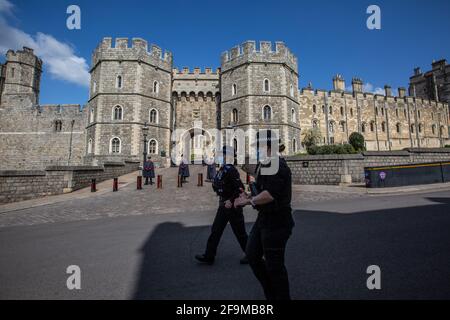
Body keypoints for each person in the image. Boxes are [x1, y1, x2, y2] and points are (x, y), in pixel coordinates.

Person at [234, 132, 294, 300]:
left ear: (269, 147)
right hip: (264, 219)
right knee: (252, 254)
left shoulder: (278, 166)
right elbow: (262, 190)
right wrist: (249, 195)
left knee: (275, 266)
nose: (257, 151)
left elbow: (270, 195)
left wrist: (250, 201)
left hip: (278, 222)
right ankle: (271, 294)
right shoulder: (266, 166)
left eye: (259, 147)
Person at [195, 146, 248, 265]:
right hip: (223, 205)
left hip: (232, 206)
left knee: (240, 233)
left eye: (223, 155)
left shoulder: (231, 170)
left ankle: (251, 254)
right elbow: (218, 184)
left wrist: (231, 200)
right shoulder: (223, 169)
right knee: (216, 230)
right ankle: (209, 255)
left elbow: (240, 188)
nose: (220, 157)